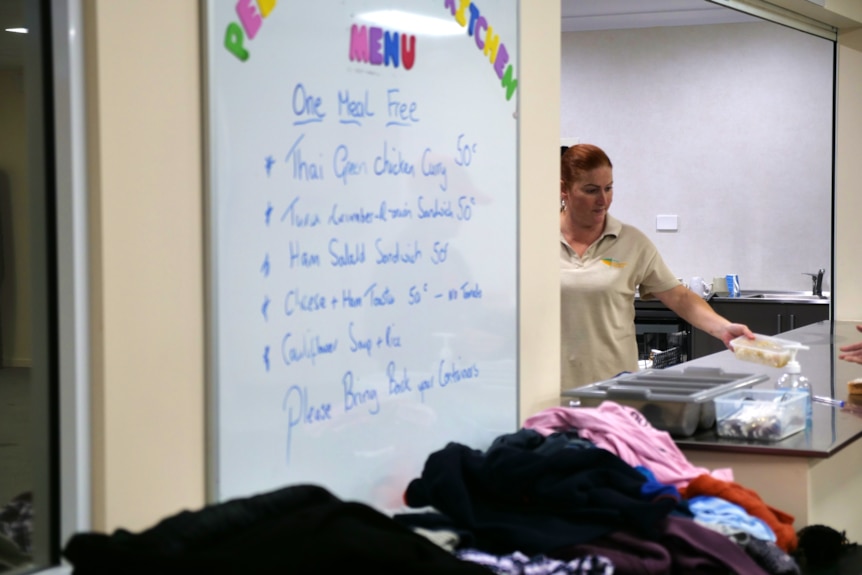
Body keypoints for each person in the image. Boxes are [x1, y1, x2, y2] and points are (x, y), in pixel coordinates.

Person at [560, 143, 754, 389]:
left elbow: (679, 297)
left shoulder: (632, 242)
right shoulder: (532, 240)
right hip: (545, 391)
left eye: (608, 188)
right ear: (564, 189)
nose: (603, 200)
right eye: (590, 190)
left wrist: (723, 328)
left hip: (614, 391)